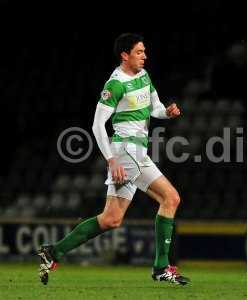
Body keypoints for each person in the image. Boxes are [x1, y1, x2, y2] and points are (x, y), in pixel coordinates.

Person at [37, 33, 190, 286]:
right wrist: (111, 159)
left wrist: (168, 112)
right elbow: (98, 125)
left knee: (111, 219)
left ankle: (53, 252)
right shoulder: (115, 84)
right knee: (170, 197)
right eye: (139, 52)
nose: (145, 56)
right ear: (124, 55)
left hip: (135, 151)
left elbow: (155, 108)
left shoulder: (143, 76)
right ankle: (162, 267)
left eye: (144, 51)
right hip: (126, 152)